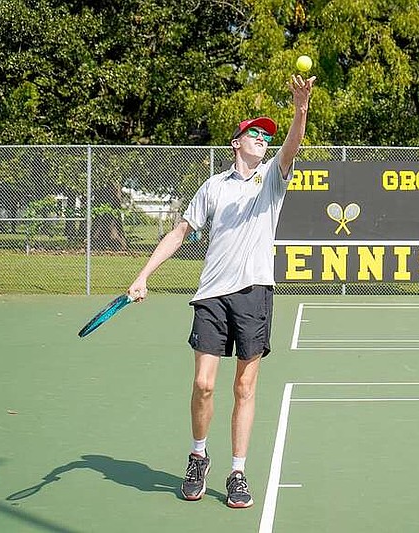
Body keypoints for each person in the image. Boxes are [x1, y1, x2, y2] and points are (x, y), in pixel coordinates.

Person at [126, 73, 316, 509]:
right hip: (212, 294)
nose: (262, 140)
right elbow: (179, 233)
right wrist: (143, 275)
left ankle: (237, 471)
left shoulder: (272, 178)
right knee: (204, 384)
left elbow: (293, 144)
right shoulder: (213, 187)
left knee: (245, 387)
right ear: (236, 143)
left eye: (266, 136)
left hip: (254, 294)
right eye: (255, 134)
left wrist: (301, 107)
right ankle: (198, 455)